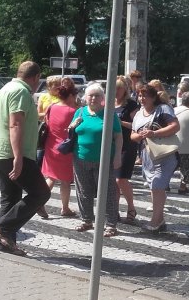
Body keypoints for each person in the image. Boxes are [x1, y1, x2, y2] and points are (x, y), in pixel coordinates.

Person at [0, 61, 51, 256]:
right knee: (41, 193)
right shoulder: (21, 92)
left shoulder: (5, 89)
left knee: (10, 199)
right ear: (35, 77)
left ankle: (4, 244)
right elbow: (15, 124)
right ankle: (3, 227)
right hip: (13, 153)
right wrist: (18, 157)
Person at [70, 82, 122, 236]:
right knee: (83, 191)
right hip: (80, 158)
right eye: (90, 95)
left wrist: (117, 156)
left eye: (97, 95)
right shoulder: (80, 112)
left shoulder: (109, 114)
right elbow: (71, 131)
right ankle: (86, 220)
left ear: (102, 98)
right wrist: (72, 125)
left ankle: (111, 224)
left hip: (104, 160)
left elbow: (118, 136)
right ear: (85, 97)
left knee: (107, 192)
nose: (93, 98)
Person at [132, 84, 180, 232]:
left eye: (145, 95)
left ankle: (155, 221)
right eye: (140, 95)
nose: (142, 98)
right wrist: (140, 135)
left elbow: (175, 126)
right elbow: (132, 135)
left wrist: (154, 133)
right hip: (147, 155)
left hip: (164, 154)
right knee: (154, 187)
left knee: (157, 184)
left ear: (153, 97)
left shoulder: (163, 109)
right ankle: (160, 220)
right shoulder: (139, 114)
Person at [41, 77, 78, 217]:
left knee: (51, 177)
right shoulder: (73, 111)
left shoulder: (51, 107)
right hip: (66, 149)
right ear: (70, 96)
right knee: (65, 181)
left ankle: (39, 202)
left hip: (51, 146)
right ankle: (65, 208)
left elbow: (47, 123)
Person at [114, 76, 139, 223]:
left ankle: (131, 207)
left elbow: (136, 125)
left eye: (119, 88)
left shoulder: (131, 105)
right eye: (114, 88)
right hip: (112, 145)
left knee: (121, 179)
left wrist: (120, 122)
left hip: (127, 145)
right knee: (113, 180)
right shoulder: (108, 103)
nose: (116, 91)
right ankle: (114, 209)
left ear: (125, 90)